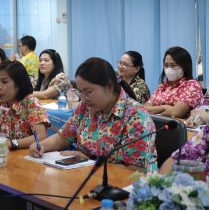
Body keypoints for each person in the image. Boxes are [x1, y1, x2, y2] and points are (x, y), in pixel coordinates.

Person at [29, 57, 158, 173]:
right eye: (81, 92)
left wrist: (90, 163)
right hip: (88, 177)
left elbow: (135, 171)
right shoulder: (86, 108)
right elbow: (64, 137)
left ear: (109, 87)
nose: (84, 99)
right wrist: (42, 146)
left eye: (88, 92)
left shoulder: (136, 117)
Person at [0, 60, 49, 150]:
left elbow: (41, 136)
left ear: (19, 84)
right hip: (4, 155)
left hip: (28, 156)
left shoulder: (31, 103)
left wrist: (12, 144)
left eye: (4, 82)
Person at [145, 46, 203, 118]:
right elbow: (144, 108)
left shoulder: (192, 85)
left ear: (184, 67)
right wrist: (164, 108)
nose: (169, 69)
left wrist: (155, 110)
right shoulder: (163, 86)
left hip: (180, 127)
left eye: (173, 65)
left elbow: (176, 113)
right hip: (158, 124)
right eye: (166, 65)